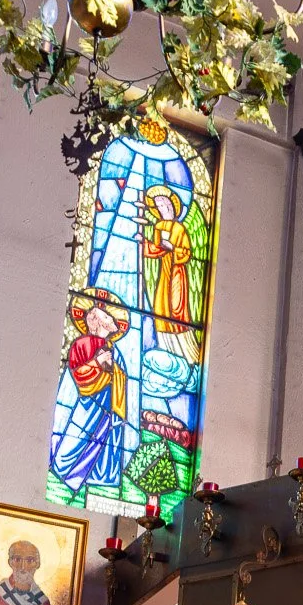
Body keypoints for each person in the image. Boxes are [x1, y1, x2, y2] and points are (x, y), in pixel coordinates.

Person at [51, 290, 138, 494]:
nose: (113, 320)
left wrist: (114, 370)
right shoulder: (81, 344)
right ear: (96, 320)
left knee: (105, 440)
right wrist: (98, 362)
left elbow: (121, 376)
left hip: (110, 403)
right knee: (79, 437)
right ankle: (64, 470)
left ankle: (101, 477)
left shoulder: (113, 348)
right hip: (89, 402)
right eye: (108, 316)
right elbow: (78, 375)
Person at [141, 184, 203, 364]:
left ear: (173, 205)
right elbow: (156, 249)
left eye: (165, 205)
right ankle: (166, 350)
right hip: (165, 271)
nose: (163, 208)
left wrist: (173, 248)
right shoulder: (159, 226)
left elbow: (186, 253)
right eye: (159, 206)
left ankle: (187, 355)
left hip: (177, 272)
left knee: (177, 308)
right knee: (161, 308)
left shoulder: (180, 229)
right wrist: (143, 243)